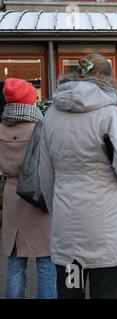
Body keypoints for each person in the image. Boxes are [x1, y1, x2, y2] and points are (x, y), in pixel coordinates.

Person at [39, 53, 117, 299]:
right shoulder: (110, 114)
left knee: (71, 291)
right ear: (108, 78)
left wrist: (57, 207)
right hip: (106, 223)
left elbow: (45, 172)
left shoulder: (52, 115)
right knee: (106, 291)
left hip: (67, 223)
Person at [0, 78, 56, 299]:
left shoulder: (2, 128)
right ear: (31, 100)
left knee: (15, 262)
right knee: (46, 261)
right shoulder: (41, 128)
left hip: (13, 196)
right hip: (38, 196)